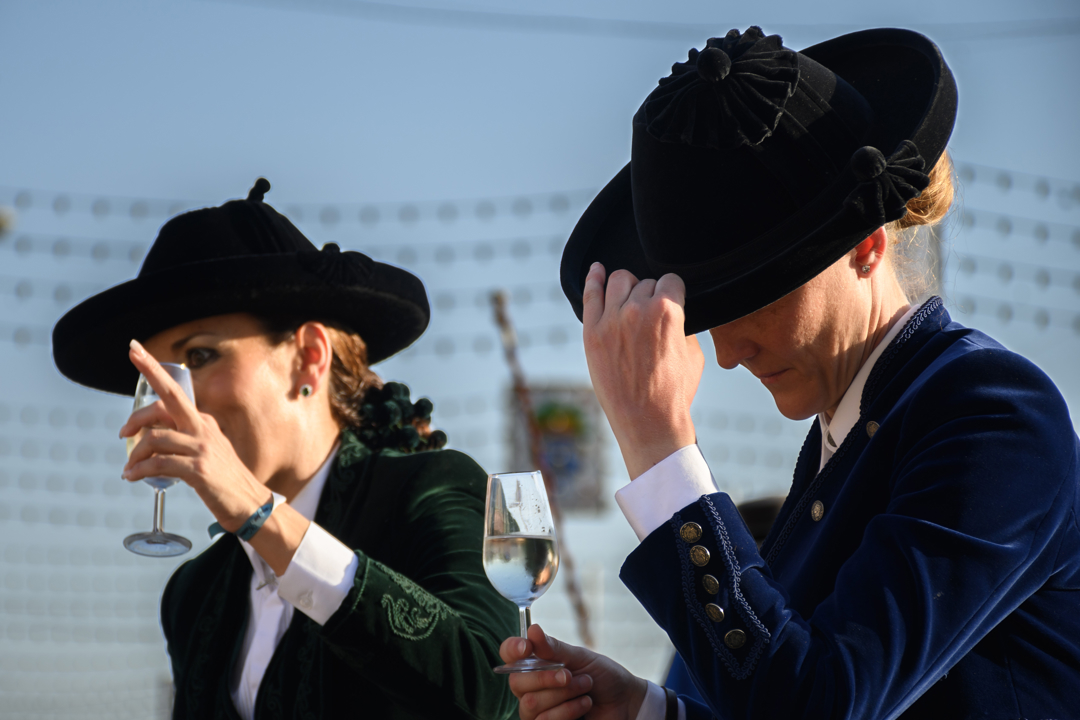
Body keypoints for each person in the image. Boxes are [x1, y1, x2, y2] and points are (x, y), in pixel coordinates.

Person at [500, 26, 1080, 720]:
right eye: (707, 311)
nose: (726, 351)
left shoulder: (991, 415)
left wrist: (658, 448)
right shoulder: (848, 437)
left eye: (754, 295)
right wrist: (647, 710)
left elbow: (823, 706)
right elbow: (801, 682)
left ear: (865, 244)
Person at [51, 179, 519, 719]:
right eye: (158, 379)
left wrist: (260, 515)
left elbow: (489, 693)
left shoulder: (430, 491)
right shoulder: (194, 591)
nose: (173, 402)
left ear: (308, 357)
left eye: (199, 357)